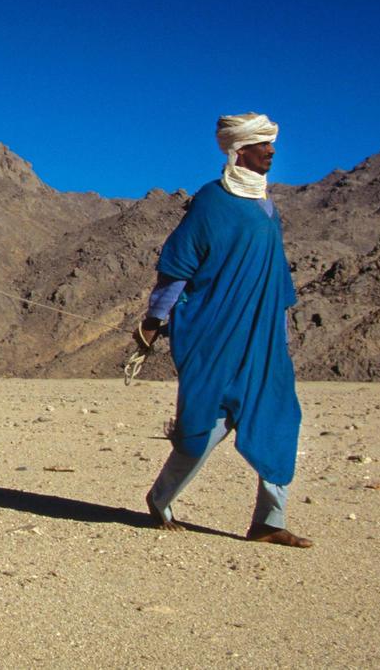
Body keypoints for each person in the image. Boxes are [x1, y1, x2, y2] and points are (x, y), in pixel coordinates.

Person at [135, 112, 312, 548]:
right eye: (262, 143)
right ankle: (160, 498)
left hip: (262, 338)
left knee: (280, 419)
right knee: (203, 427)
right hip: (215, 332)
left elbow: (274, 277)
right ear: (239, 149)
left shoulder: (269, 210)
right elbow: (178, 267)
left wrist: (280, 332)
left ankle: (269, 522)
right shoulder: (211, 202)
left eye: (272, 143)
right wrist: (154, 321)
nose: (272, 150)